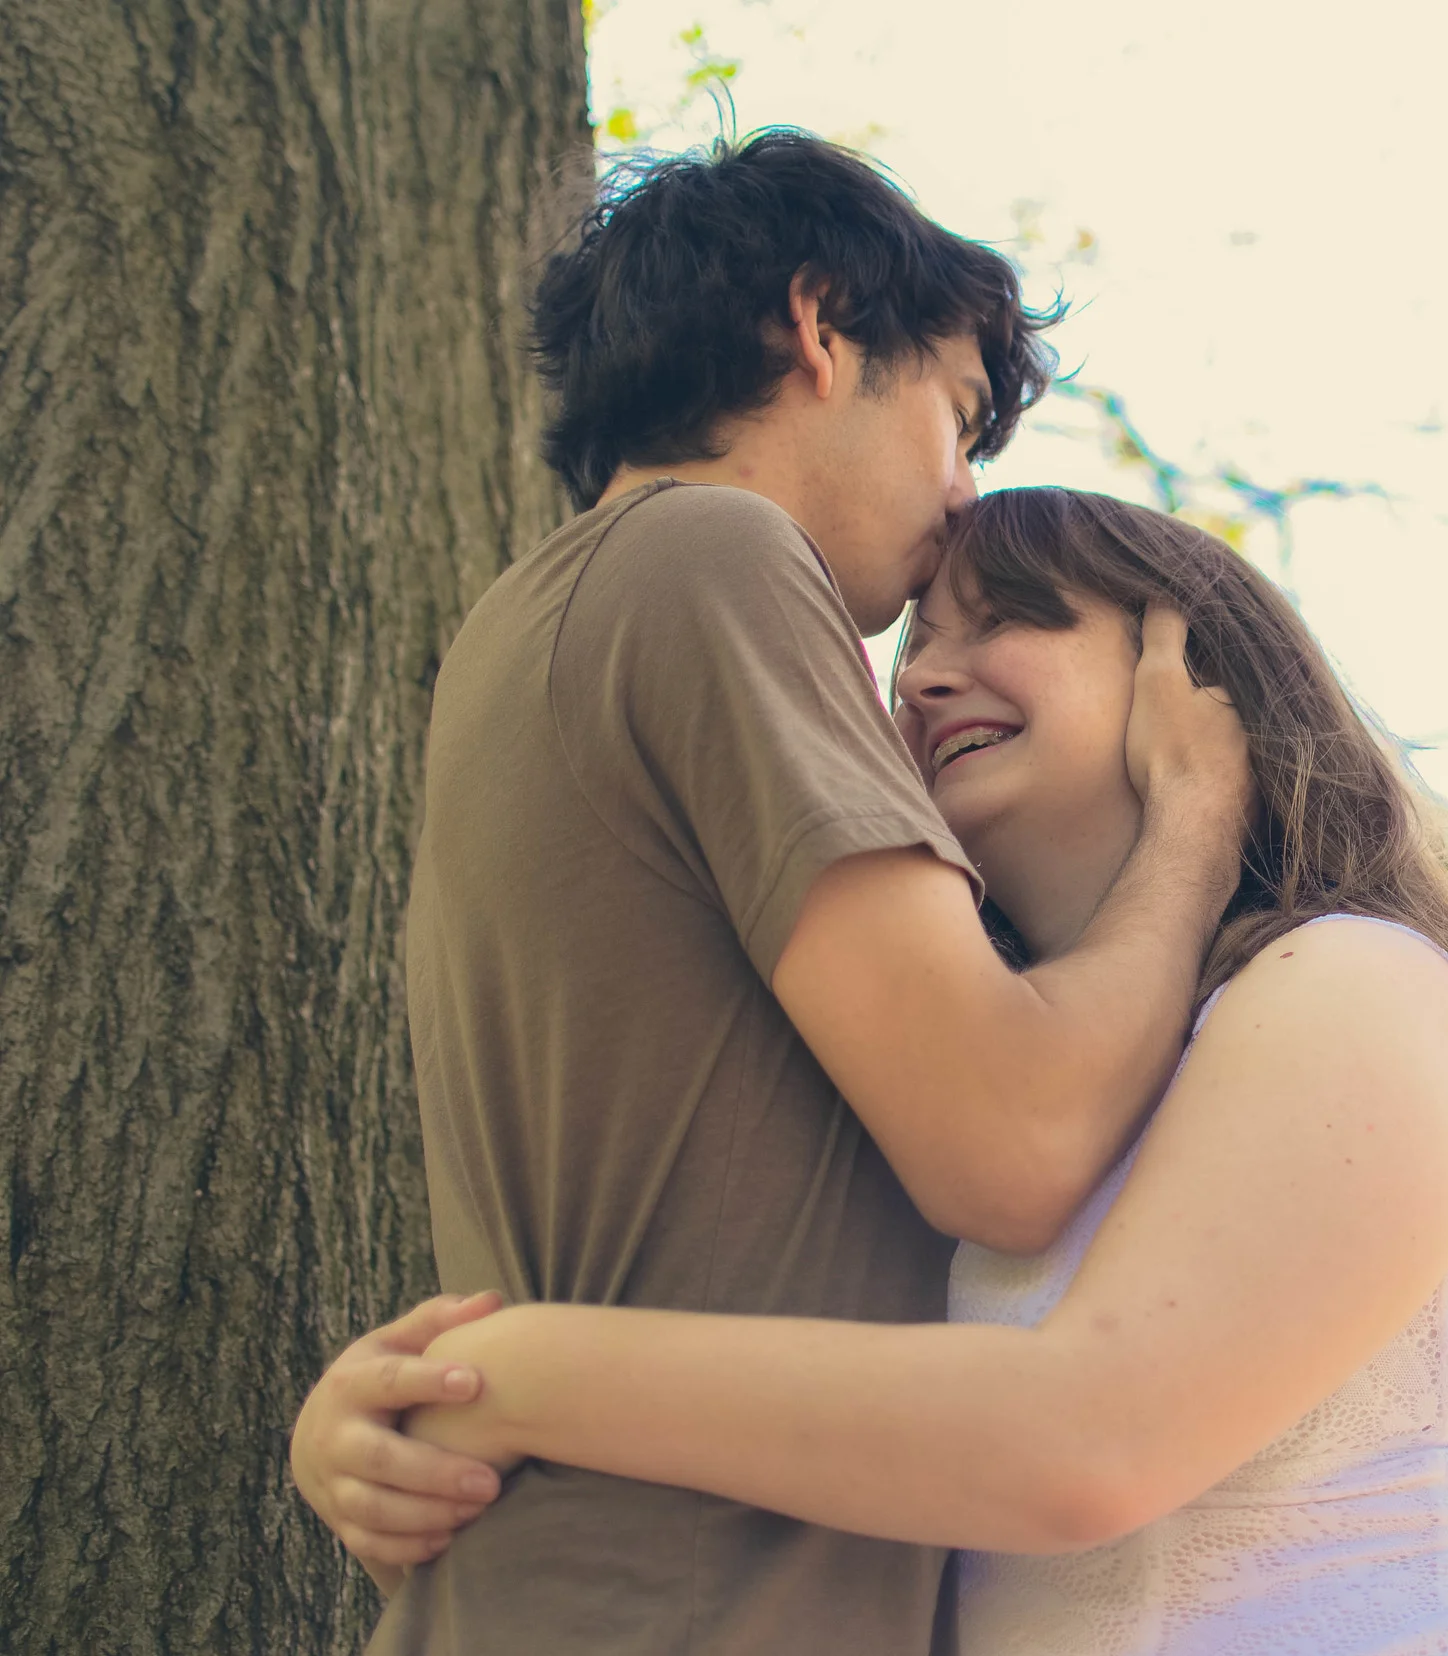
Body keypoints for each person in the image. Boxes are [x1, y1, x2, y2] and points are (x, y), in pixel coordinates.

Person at [298, 487, 1448, 1654]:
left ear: (1197, 675)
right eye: (914, 648)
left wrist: (514, 1380)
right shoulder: (965, 1127)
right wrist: (388, 1434)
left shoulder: (1361, 986)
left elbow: (1085, 1443)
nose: (925, 680)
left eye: (1006, 621)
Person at [288, 134, 1255, 1654]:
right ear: (820, 327)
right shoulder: (714, 555)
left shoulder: (546, 626)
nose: (966, 493)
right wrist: (1195, 826)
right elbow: (1010, 1145)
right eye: (958, 416)